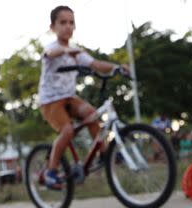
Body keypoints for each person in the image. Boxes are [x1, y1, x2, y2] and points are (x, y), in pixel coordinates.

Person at [38, 5, 129, 190]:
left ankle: (103, 153)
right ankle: (51, 171)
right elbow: (49, 54)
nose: (68, 26)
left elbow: (96, 64)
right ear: (53, 27)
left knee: (92, 114)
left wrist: (117, 67)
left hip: (69, 97)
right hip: (51, 100)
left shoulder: (76, 51)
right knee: (68, 130)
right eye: (63, 22)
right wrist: (64, 51)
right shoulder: (53, 47)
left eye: (71, 23)